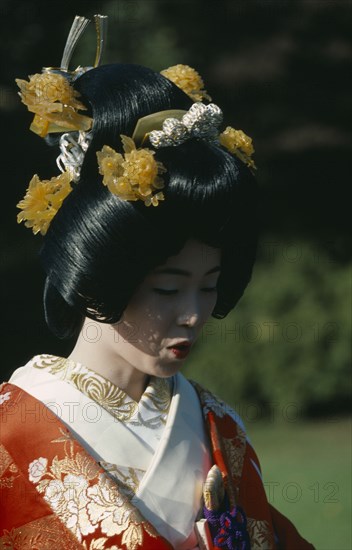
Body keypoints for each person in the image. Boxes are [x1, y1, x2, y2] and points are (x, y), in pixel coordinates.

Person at [0, 15, 315, 550]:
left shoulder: (220, 427)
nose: (193, 312)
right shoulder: (11, 432)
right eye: (168, 289)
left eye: (208, 286)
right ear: (101, 276)